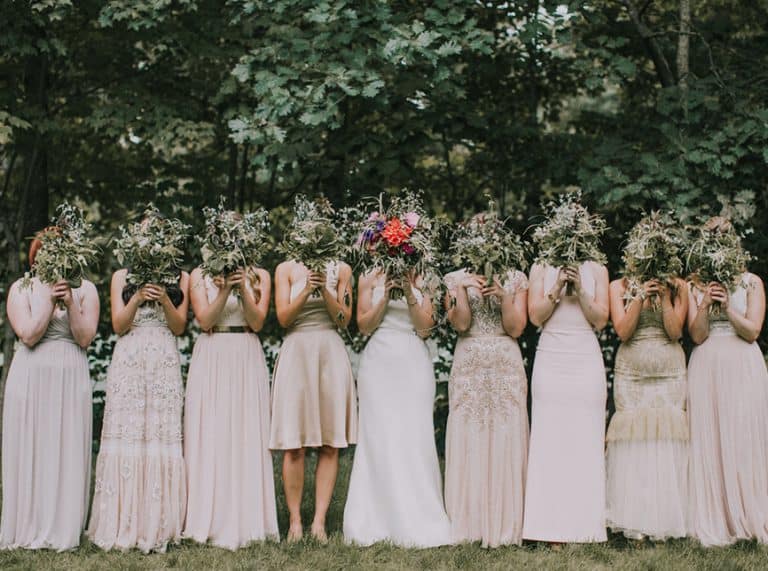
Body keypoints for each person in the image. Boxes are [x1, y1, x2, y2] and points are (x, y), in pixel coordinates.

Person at [0, 235, 99, 551]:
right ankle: (29, 523)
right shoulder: (21, 289)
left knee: (66, 444)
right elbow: (29, 335)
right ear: (36, 258)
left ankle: (64, 525)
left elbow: (84, 338)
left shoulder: (86, 290)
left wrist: (70, 302)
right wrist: (47, 300)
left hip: (71, 374)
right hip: (31, 376)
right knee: (33, 445)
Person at [343, 272, 451, 548]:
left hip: (413, 361)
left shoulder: (427, 278)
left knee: (414, 439)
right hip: (378, 362)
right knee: (378, 440)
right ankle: (374, 519)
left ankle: (419, 517)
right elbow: (364, 326)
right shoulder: (368, 278)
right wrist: (386, 297)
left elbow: (425, 329)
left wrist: (408, 290)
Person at [88, 263, 190, 552]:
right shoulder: (121, 276)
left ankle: (159, 524)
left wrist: (165, 299)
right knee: (129, 434)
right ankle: (121, 522)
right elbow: (119, 326)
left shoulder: (179, 277)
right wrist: (136, 297)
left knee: (159, 436)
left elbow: (179, 326)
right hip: (130, 359)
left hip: (163, 359)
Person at [183, 264, 278, 549]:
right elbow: (205, 321)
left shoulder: (261, 275)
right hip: (212, 353)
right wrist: (224, 290)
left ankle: (249, 519)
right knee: (212, 432)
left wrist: (242, 289)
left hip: (246, 353)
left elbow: (258, 322)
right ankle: (208, 517)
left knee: (246, 433)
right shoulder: (199, 275)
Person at [687, 217, 768, 546]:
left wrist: (727, 308)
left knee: (741, 434)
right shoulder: (696, 285)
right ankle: (714, 515)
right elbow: (696, 335)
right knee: (709, 436)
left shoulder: (751, 282)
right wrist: (706, 303)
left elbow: (752, 332)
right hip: (706, 365)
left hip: (742, 365)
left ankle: (747, 514)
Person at [269, 259, 356, 542]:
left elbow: (344, 319)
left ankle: (319, 521)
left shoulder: (342, 270)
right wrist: (307, 289)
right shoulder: (285, 270)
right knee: (294, 444)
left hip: (329, 353)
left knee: (330, 443)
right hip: (297, 351)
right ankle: (295, 520)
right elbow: (283, 318)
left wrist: (326, 291)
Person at [522, 261, 609, 543]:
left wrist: (581, 289)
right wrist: (557, 286)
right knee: (550, 439)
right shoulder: (540, 267)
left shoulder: (597, 269)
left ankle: (585, 525)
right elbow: (535, 317)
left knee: (584, 438)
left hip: (585, 355)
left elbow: (600, 320)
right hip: (551, 356)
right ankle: (547, 527)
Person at [443, 269, 529, 547]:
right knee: (469, 434)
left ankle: (506, 524)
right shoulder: (453, 278)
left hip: (506, 363)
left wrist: (505, 296)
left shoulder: (515, 277)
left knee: (506, 434)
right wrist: (461, 290)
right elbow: (461, 324)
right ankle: (470, 524)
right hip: (470, 363)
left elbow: (516, 328)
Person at [606, 275, 688, 540]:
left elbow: (675, 332)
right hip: (632, 374)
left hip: (669, 373)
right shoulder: (618, 287)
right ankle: (634, 521)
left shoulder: (679, 287)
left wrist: (665, 297)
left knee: (667, 439)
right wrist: (640, 296)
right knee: (634, 441)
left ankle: (667, 519)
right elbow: (623, 331)